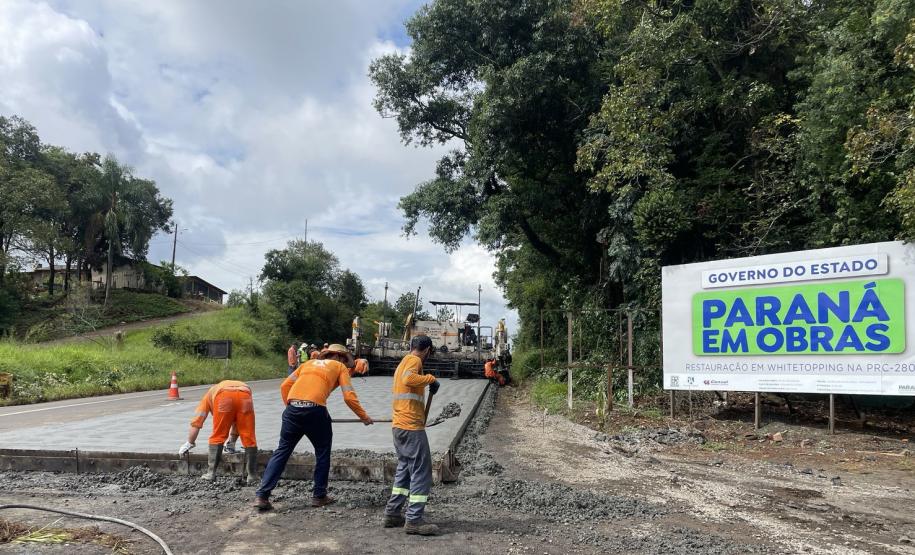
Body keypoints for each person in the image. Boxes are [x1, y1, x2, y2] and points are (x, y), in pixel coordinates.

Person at [253, 344, 373, 511]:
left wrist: (292, 407)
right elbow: (349, 397)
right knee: (322, 452)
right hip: (315, 411)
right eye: (345, 360)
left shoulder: (307, 364)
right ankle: (319, 496)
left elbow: (284, 386)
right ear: (339, 357)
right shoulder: (339, 366)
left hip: (292, 410)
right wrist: (364, 417)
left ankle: (262, 496)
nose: (346, 363)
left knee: (282, 452)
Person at [382, 335, 441, 536]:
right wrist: (430, 379)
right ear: (427, 350)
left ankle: (392, 513)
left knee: (405, 469)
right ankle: (414, 520)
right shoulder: (414, 360)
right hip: (411, 427)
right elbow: (409, 379)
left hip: (399, 426)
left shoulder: (403, 362)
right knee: (421, 471)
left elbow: (406, 381)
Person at [178, 380, 258, 485]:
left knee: (218, 435)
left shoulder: (209, 395)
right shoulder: (238, 388)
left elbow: (197, 421)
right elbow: (238, 422)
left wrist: (189, 442)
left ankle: (211, 474)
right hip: (245, 394)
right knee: (249, 436)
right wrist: (231, 442)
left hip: (223, 396)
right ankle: (252, 476)